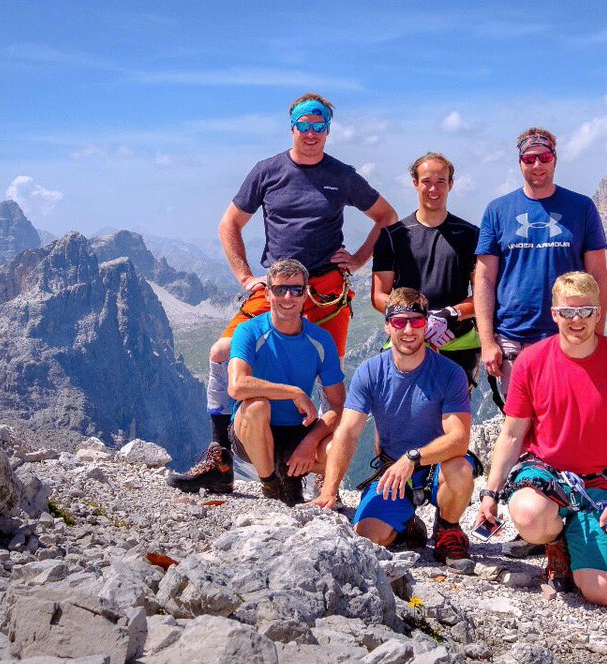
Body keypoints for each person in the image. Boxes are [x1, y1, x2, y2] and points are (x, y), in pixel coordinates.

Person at [182, 92, 398, 493]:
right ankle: (220, 454)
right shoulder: (267, 171)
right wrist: (247, 279)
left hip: (327, 289)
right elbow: (229, 224)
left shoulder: (343, 175)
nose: (311, 133)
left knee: (327, 376)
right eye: (304, 125)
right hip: (279, 285)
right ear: (292, 126)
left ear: (328, 131)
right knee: (219, 352)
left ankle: (315, 473)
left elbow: (386, 217)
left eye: (319, 126)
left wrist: (360, 257)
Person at [478, 272, 607, 606]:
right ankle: (556, 542)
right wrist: (490, 493)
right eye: (569, 312)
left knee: (602, 592)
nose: (578, 320)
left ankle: (578, 537)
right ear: (554, 313)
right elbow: (513, 434)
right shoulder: (531, 361)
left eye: (586, 311)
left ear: (599, 313)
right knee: (528, 513)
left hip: (596, 482)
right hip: (546, 474)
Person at [474, 127, 607, 559]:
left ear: (555, 158)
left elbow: (597, 273)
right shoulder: (498, 210)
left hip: (568, 338)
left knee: (566, 428)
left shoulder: (580, 208)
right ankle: (530, 520)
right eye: (528, 159)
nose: (536, 165)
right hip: (514, 338)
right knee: (523, 431)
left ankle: (568, 519)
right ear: (520, 162)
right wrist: (487, 338)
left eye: (543, 158)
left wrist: (597, 331)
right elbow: (485, 277)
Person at [312, 288, 478, 572]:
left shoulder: (450, 373)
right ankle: (406, 526)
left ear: (427, 325)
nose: (409, 330)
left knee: (461, 468)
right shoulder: (371, 371)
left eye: (416, 321)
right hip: (394, 472)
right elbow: (348, 432)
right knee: (367, 536)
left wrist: (412, 458)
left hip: (438, 465)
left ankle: (448, 529)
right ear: (388, 325)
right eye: (400, 322)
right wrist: (329, 490)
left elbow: (459, 439)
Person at [169, 259, 346, 503]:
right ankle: (272, 485)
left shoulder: (321, 340)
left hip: (297, 433)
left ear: (306, 295)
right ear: (267, 293)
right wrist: (294, 392)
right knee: (257, 405)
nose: (287, 297)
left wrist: (311, 440)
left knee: (342, 441)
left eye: (296, 290)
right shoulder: (249, 331)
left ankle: (297, 476)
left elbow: (337, 405)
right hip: (251, 433)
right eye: (279, 289)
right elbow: (236, 385)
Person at [372, 152, 480, 385]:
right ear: (415, 184)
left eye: (441, 182)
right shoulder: (392, 236)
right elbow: (379, 295)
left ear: (450, 185)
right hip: (406, 339)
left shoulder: (470, 235)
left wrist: (451, 314)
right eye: (426, 182)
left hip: (458, 341)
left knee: (454, 418)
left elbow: (483, 293)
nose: (434, 189)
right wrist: (416, 317)